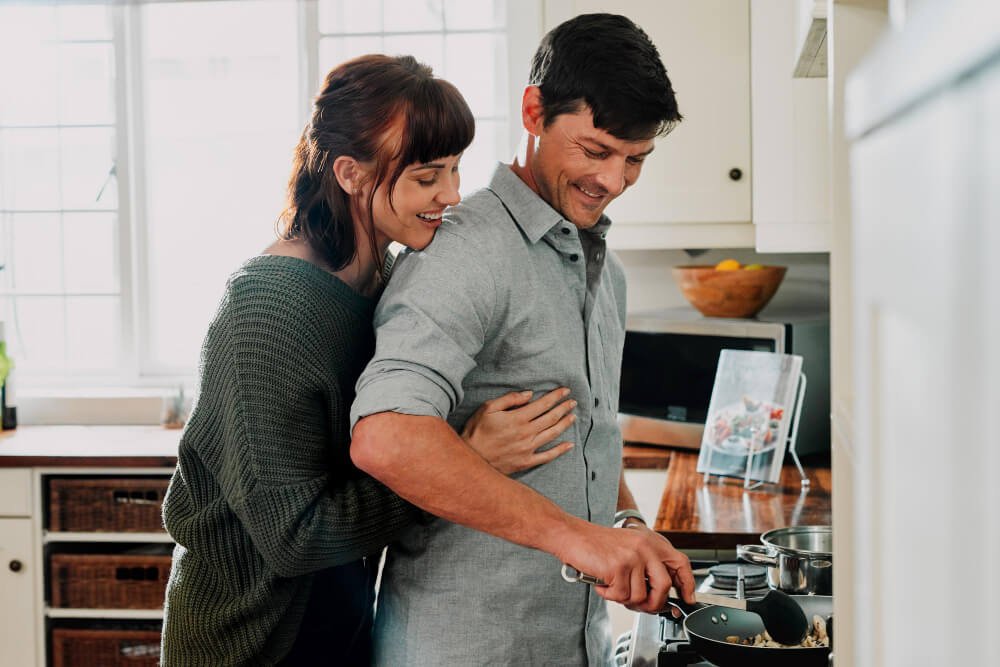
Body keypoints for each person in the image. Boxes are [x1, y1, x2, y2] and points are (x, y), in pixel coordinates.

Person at [159, 54, 577, 666]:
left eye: (456, 168)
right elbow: (293, 539)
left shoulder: (381, 276)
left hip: (338, 623)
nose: (453, 195)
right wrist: (464, 458)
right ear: (352, 174)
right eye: (428, 176)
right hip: (248, 642)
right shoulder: (267, 313)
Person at [349, 13, 697, 665]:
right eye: (595, 151)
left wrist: (624, 528)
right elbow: (386, 434)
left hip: (572, 646)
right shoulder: (463, 252)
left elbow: (587, 435)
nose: (615, 181)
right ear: (534, 111)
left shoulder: (606, 273)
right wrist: (578, 539)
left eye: (636, 160)